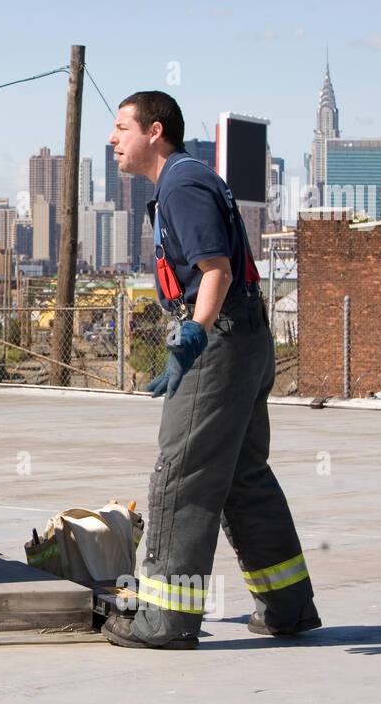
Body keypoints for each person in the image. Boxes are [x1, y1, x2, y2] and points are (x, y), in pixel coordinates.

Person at [101, 90, 321, 649]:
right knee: (244, 479)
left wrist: (192, 337)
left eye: (122, 128)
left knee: (183, 474)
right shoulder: (187, 179)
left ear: (155, 131)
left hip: (219, 341)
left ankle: (166, 620)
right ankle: (287, 607)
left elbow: (215, 270)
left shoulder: (181, 184)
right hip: (244, 337)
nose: (113, 140)